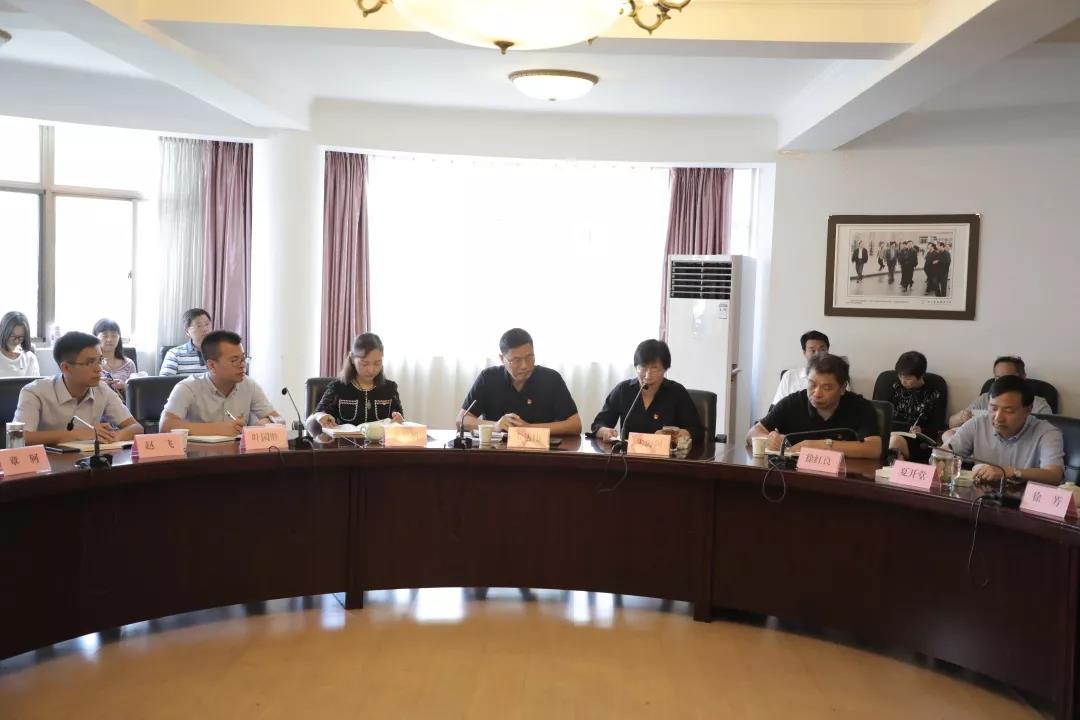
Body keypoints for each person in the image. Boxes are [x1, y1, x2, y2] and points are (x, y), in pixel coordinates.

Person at [13, 331, 143, 446]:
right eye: (90, 362)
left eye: (100, 360)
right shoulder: (34, 392)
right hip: (47, 463)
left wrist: (114, 436)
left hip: (87, 462)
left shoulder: (102, 389)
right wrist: (76, 434)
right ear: (66, 368)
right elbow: (20, 437)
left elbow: (137, 428)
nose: (99, 369)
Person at [748, 353, 881, 460]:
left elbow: (874, 448)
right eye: (812, 385)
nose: (817, 393)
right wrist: (769, 440)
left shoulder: (860, 407)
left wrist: (822, 446)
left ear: (842, 388)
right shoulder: (792, 403)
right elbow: (753, 432)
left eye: (826, 388)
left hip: (844, 479)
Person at [459, 328, 581, 435]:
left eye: (529, 357)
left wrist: (529, 428)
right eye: (516, 360)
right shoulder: (488, 378)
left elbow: (575, 425)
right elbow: (461, 420)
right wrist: (495, 426)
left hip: (541, 450)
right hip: (497, 449)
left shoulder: (551, 379)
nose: (524, 366)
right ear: (502, 359)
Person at [946, 375, 1063, 486]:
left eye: (1008, 411)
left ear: (1028, 409)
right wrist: (943, 454)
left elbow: (1054, 475)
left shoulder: (1047, 432)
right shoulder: (978, 424)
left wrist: (1011, 472)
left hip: (1024, 497)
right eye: (993, 408)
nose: (998, 418)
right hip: (981, 494)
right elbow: (945, 453)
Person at [160, 330, 282, 436]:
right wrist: (218, 429)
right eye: (234, 360)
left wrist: (266, 423)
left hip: (238, 454)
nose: (243, 365)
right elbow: (166, 426)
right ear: (212, 365)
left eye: (243, 358)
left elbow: (279, 419)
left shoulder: (249, 385)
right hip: (197, 454)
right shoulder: (188, 388)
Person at [591, 339, 704, 447]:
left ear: (665, 369)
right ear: (636, 367)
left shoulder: (676, 392)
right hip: (629, 456)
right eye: (643, 368)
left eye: (654, 368)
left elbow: (697, 430)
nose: (648, 375)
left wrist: (678, 434)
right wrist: (604, 431)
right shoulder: (623, 390)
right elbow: (599, 424)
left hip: (667, 457)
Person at [307, 333, 404, 440]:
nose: (371, 369)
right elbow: (311, 420)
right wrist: (319, 416)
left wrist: (399, 419)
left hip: (380, 448)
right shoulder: (338, 387)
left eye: (377, 363)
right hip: (345, 447)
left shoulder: (389, 388)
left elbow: (400, 420)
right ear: (352, 358)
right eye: (364, 364)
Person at [947, 356, 1053, 434]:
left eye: (1008, 378)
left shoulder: (1039, 405)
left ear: (1023, 377)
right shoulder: (985, 398)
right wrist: (961, 417)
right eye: (998, 378)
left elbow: (1047, 434)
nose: (1003, 383)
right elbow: (952, 424)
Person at [885, 351, 946, 462]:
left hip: (918, 441)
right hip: (890, 434)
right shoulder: (893, 386)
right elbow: (882, 411)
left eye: (908, 379)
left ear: (921, 375)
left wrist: (921, 430)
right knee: (895, 449)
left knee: (895, 442)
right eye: (900, 376)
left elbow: (937, 426)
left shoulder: (934, 392)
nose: (903, 381)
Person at [772, 331, 854, 404]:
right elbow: (775, 408)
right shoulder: (789, 375)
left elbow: (847, 406)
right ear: (804, 352)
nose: (818, 354)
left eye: (822, 350)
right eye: (813, 350)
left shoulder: (839, 374)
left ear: (827, 351)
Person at [93, 318, 137, 399]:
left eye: (114, 335)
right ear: (95, 337)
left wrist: (125, 386)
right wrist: (97, 384)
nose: (109, 339)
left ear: (119, 338)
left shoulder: (129, 364)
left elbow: (136, 393)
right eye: (104, 335)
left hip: (122, 405)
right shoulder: (90, 363)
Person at [160, 308, 212, 376]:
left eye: (207, 324)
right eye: (199, 326)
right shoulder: (174, 354)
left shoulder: (220, 351)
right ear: (187, 331)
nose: (205, 329)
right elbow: (164, 381)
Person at [0, 311, 40, 378]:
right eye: (12, 336)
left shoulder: (30, 358)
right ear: (3, 332)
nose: (16, 340)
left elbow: (36, 383)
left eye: (21, 337)